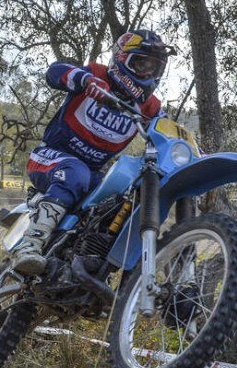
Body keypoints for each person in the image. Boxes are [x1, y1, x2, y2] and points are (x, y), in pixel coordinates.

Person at [11, 29, 175, 275]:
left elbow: (166, 132)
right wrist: (85, 81)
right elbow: (55, 71)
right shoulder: (96, 74)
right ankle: (29, 246)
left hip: (93, 173)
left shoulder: (149, 107)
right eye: (142, 63)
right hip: (50, 157)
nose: (149, 73)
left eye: (155, 68)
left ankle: (88, 266)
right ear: (122, 60)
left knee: (121, 200)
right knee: (75, 173)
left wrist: (191, 150)